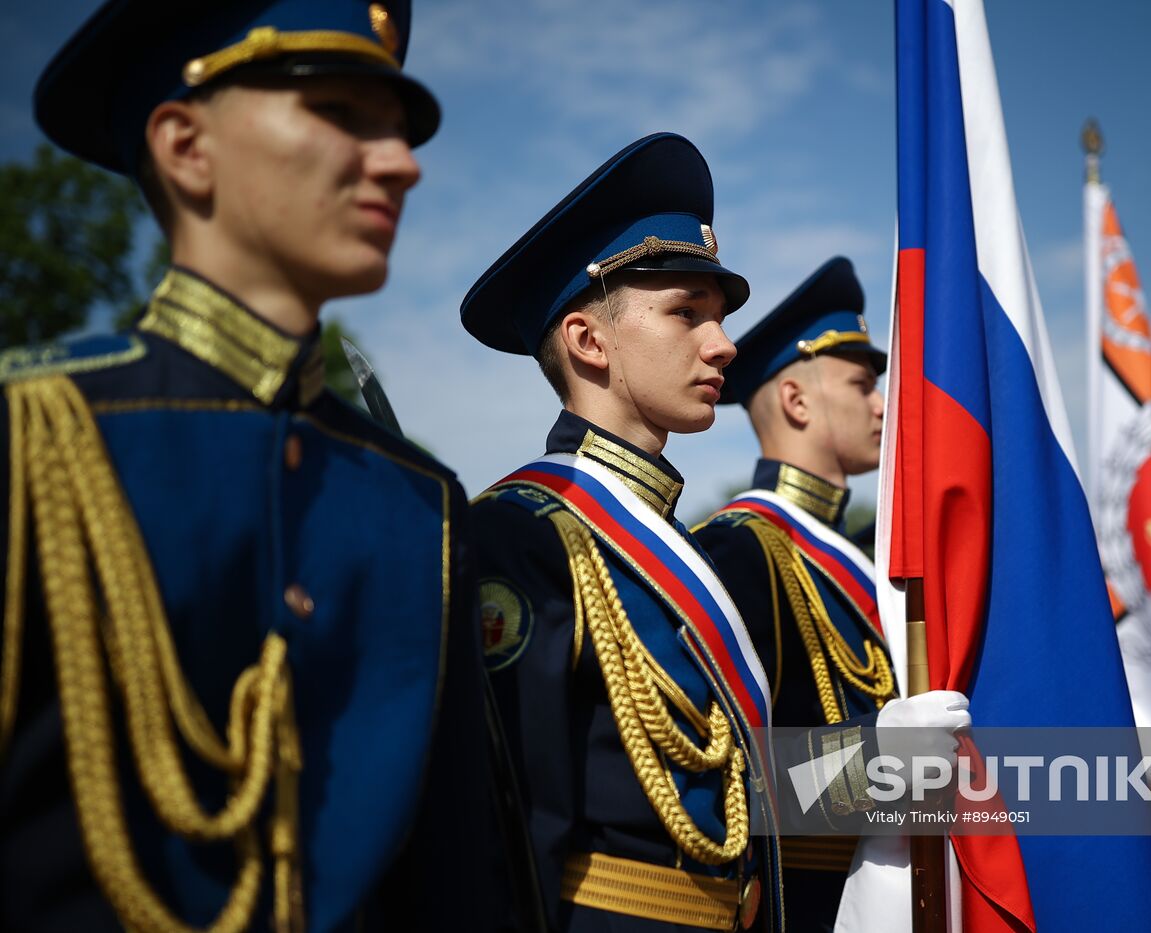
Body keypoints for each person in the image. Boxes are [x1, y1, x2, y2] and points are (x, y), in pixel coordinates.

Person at [0, 2, 496, 929]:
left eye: (396, 130)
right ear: (187, 146)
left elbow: (458, 873)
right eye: (342, 115)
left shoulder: (422, 503)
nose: (402, 162)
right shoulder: (30, 433)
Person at [462, 135, 971, 932]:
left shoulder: (669, 548)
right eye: (686, 313)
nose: (724, 343)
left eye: (720, 315)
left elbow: (742, 794)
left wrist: (874, 757)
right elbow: (498, 838)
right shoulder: (522, 536)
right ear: (588, 341)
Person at [690, 257, 896, 931]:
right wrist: (883, 763)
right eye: (863, 384)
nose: (883, 403)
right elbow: (724, 783)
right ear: (796, 400)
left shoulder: (860, 557)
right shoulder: (738, 548)